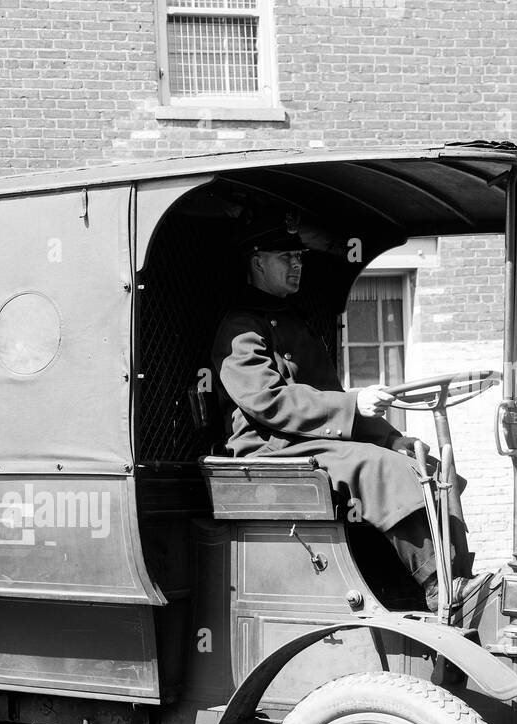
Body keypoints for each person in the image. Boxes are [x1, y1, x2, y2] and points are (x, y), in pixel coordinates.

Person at [210, 214, 494, 613]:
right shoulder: (240, 327)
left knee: (425, 462)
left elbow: (329, 397)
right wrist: (354, 405)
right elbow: (268, 402)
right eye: (286, 256)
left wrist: (392, 436)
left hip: (309, 442)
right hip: (270, 451)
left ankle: (458, 576)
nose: (297, 264)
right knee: (380, 467)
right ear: (258, 262)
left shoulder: (292, 319)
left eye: (300, 257)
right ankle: (438, 585)